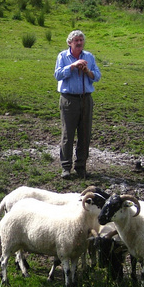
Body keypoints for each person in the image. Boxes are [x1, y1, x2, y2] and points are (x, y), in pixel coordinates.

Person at [53, 29, 100, 178]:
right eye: (76, 41)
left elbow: (97, 76)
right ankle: (66, 167)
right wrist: (72, 67)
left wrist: (87, 71)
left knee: (85, 133)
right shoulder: (62, 56)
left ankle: (81, 167)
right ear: (69, 43)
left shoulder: (89, 57)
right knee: (68, 134)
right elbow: (58, 74)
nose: (79, 43)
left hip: (86, 99)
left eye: (81, 40)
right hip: (69, 99)